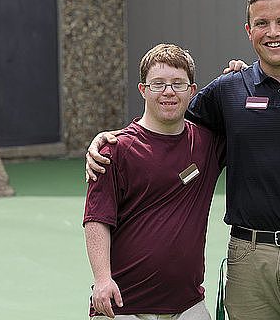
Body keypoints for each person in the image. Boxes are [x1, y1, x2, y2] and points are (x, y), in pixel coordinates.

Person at [87, 0, 280, 320]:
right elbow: (167, 115)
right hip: (248, 257)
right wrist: (113, 138)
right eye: (262, 23)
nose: (273, 31)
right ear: (249, 31)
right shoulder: (228, 90)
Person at [83, 43, 232, 319]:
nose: (168, 92)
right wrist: (102, 279)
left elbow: (248, 117)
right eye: (158, 84)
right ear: (143, 90)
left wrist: (242, 77)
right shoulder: (114, 149)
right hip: (124, 305)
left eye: (178, 84)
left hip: (188, 305)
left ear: (192, 90)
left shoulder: (207, 144)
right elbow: (97, 219)